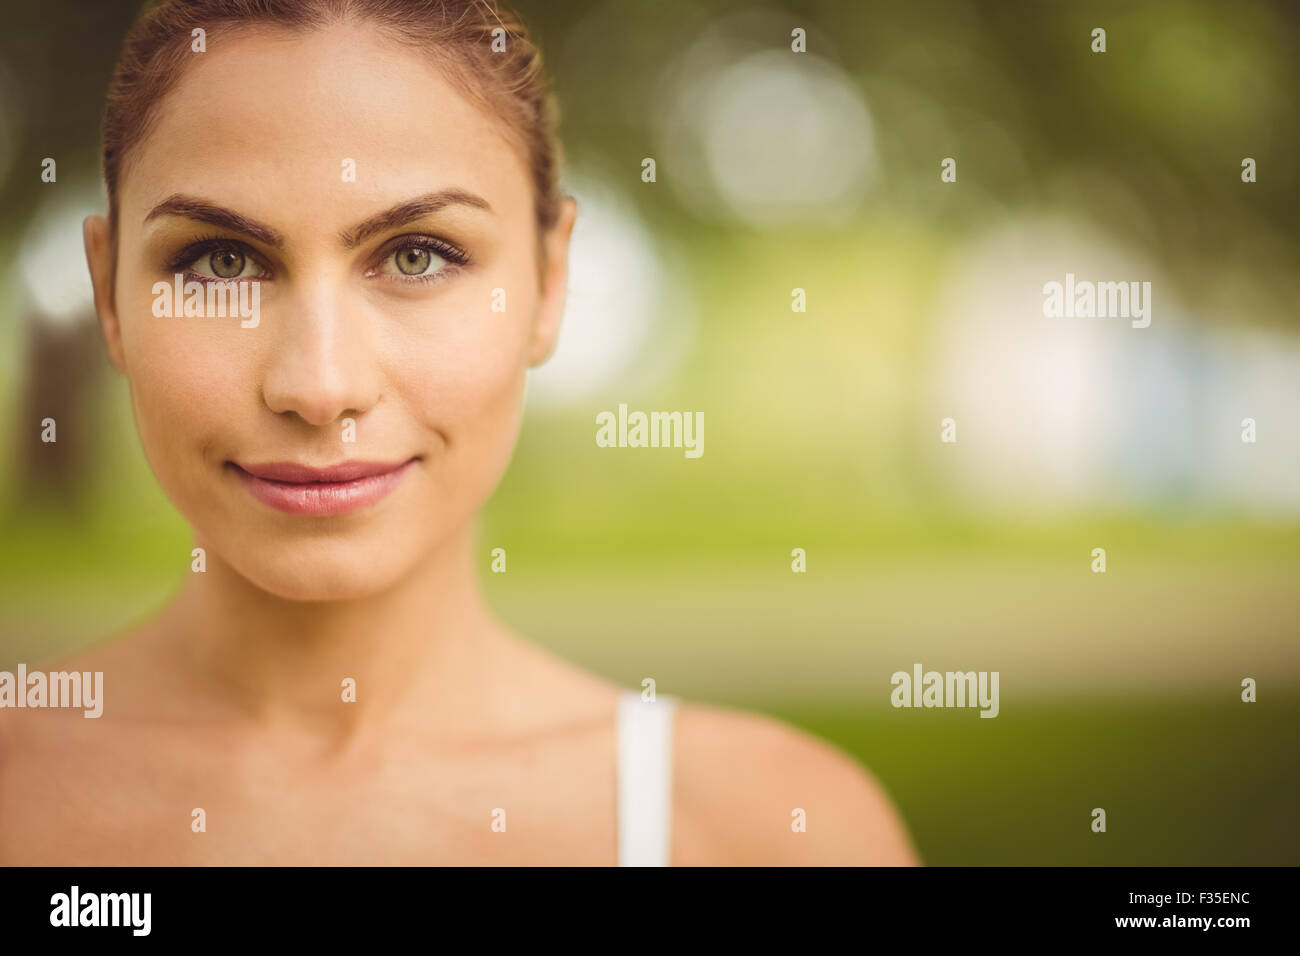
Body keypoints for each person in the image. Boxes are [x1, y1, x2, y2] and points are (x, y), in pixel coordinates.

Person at [0, 0, 917, 866]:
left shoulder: (767, 832)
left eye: (415, 256)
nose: (319, 387)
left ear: (549, 283)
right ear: (109, 290)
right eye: (223, 261)